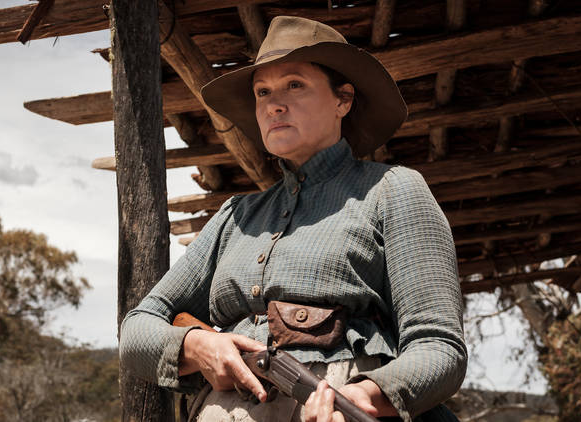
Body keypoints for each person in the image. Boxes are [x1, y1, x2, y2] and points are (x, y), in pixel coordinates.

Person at [119, 16, 467, 422]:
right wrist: (197, 346)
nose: (273, 103)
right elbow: (137, 329)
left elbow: (439, 348)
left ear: (344, 100)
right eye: (262, 91)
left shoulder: (394, 190)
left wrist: (361, 398)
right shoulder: (235, 215)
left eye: (294, 85)